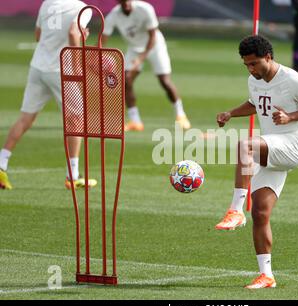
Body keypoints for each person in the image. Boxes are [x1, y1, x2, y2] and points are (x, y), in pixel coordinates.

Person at [214, 35, 298, 289]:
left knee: (246, 145)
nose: (251, 69)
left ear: (268, 57)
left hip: (293, 145)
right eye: (246, 65)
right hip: (271, 147)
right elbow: (256, 104)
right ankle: (267, 276)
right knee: (260, 212)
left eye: (254, 63)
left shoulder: (293, 79)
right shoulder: (253, 79)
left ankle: (235, 211)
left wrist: (291, 117)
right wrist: (231, 113)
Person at [0, 0, 96, 190]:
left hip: (38, 68)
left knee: (25, 119)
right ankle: (73, 175)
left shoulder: (47, 4)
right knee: (76, 120)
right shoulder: (82, 8)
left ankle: (2, 163)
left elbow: (38, 36)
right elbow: (73, 33)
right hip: (61, 71)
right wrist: (77, 67)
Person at [102, 0, 191, 132]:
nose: (126, 3)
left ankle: (181, 115)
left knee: (164, 81)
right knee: (126, 81)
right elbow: (103, 40)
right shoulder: (113, 16)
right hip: (134, 48)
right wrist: (98, 56)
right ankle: (135, 121)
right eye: (122, 1)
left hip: (155, 46)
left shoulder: (145, 9)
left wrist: (140, 59)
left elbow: (152, 36)